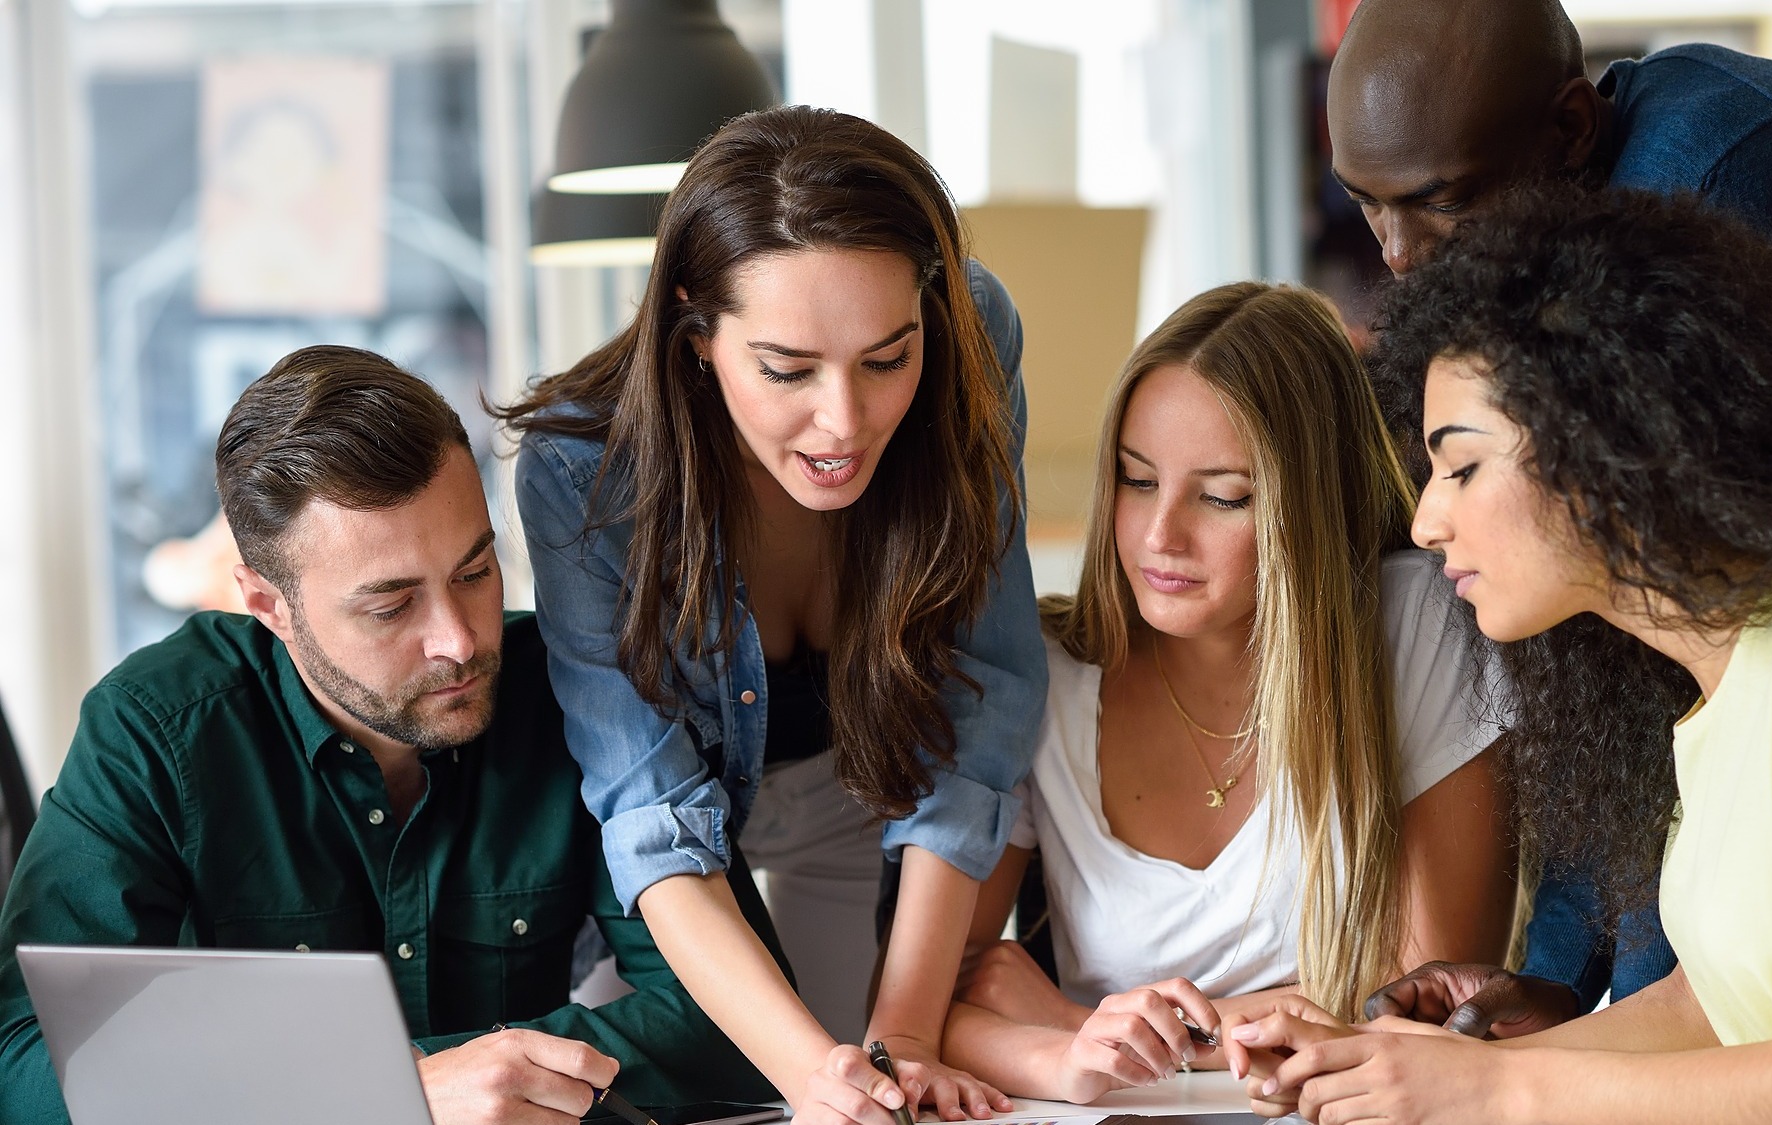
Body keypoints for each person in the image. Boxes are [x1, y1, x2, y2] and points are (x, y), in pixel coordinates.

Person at [1223, 186, 1772, 1125]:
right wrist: (1391, 1060)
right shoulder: (1714, 692)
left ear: (1606, 439)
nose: (1427, 520)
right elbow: (1715, 1009)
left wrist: (1491, 1087)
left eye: (1461, 465)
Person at [1322, 0, 1772, 1031]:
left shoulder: (1715, 183)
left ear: (1567, 133)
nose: (1400, 253)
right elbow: (1601, 662)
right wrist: (1555, 981)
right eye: (1364, 206)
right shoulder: (1547, 266)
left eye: (1437, 201)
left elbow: (1680, 678)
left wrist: (1601, 1030)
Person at [0, 346, 773, 1124]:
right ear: (269, 606)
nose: (460, 640)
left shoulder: (572, 695)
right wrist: (384, 1093)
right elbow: (24, 1062)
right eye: (390, 607)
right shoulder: (156, 731)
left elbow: (737, 1024)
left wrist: (459, 1078)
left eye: (475, 572)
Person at [503, 106, 1045, 1125]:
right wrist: (810, 1077)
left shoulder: (974, 336)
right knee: (710, 1091)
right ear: (694, 330)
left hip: (866, 787)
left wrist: (905, 1041)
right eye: (787, 371)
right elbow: (651, 818)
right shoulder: (583, 468)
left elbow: (983, 699)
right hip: (675, 846)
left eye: (887, 359)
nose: (843, 422)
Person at [939, 282, 1514, 1102]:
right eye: (1137, 481)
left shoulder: (1416, 624)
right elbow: (942, 1004)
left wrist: (1082, 1022)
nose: (1158, 536)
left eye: (1222, 497)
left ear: (1309, 506)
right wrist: (1065, 1053)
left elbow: (1426, 1006)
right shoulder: (1047, 673)